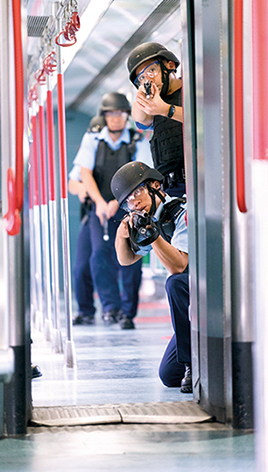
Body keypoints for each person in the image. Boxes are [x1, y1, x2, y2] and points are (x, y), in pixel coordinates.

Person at [73, 93, 153, 329]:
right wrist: (99, 201)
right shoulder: (93, 140)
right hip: (99, 209)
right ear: (104, 116)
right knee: (98, 256)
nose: (115, 118)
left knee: (131, 260)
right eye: (110, 114)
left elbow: (142, 176)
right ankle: (111, 308)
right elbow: (84, 173)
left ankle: (127, 313)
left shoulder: (137, 141)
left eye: (119, 113)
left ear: (127, 115)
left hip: (129, 207)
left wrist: (117, 204)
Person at [111, 161, 192, 393]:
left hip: (211, 292)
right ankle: (191, 358)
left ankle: (191, 365)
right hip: (192, 306)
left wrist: (153, 236)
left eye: (137, 192)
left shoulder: (181, 213)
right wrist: (122, 236)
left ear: (156, 186)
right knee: (168, 375)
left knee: (175, 283)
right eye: (128, 200)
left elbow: (179, 267)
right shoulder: (149, 218)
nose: (134, 201)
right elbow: (126, 259)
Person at [127, 42, 185, 197]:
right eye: (141, 78)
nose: (148, 79)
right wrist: (143, 97)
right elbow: (140, 119)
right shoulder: (154, 104)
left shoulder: (192, 88)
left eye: (151, 70)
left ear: (170, 65)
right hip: (172, 192)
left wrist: (166, 110)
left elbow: (203, 118)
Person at [68, 115, 106, 326]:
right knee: (82, 266)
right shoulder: (88, 154)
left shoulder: (125, 148)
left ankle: (115, 310)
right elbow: (72, 182)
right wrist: (84, 189)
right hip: (92, 214)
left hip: (115, 212)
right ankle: (86, 310)